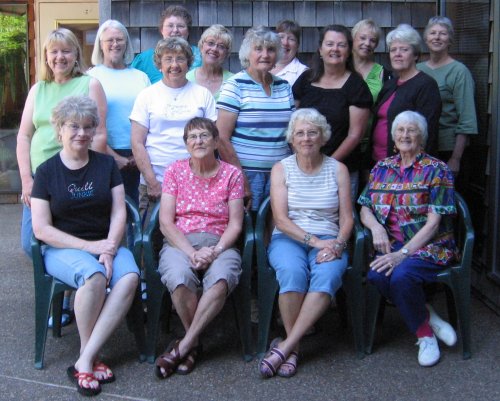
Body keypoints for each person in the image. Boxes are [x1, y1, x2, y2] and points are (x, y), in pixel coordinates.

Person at [30, 96, 140, 396]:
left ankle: (85, 359)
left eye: (88, 127)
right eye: (74, 126)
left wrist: (108, 248)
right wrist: (91, 248)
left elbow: (120, 211)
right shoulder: (46, 171)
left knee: (129, 277)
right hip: (63, 248)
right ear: (60, 130)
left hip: (107, 243)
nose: (82, 133)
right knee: (93, 278)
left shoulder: (106, 164)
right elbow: (41, 229)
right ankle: (90, 356)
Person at [16, 27, 107, 327]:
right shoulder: (37, 90)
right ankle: (73, 286)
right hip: (41, 181)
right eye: (53, 51)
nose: (59, 57)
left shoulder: (89, 84)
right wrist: (27, 181)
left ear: (76, 55)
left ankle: (73, 299)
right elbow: (24, 137)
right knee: (31, 241)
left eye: (66, 51)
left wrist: (91, 174)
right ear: (46, 56)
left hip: (76, 176)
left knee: (75, 230)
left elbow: (99, 133)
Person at [358, 110, 458, 367]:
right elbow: (365, 207)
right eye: (400, 130)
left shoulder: (437, 169)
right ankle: (428, 316)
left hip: (430, 245)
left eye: (411, 130)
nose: (405, 135)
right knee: (376, 275)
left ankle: (424, 336)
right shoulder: (382, 168)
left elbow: (434, 224)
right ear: (393, 137)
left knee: (401, 276)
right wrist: (376, 229)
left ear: (421, 137)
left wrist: (401, 255)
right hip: (393, 244)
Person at [259, 108, 353, 378]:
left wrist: (336, 244)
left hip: (329, 238)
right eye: (300, 133)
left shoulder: (339, 169)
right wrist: (315, 242)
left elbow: (347, 218)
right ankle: (296, 347)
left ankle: (286, 346)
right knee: (291, 272)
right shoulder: (281, 169)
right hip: (289, 238)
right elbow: (280, 218)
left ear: (323, 137)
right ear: (292, 139)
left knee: (328, 274)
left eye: (313, 132)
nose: (306, 138)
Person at [154, 117, 244, 378]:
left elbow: (235, 225)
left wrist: (214, 252)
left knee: (221, 278)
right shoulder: (174, 171)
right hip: (181, 242)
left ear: (216, 141)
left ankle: (184, 346)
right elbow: (166, 223)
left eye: (204, 136)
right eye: (192, 137)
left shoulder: (232, 174)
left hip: (220, 243)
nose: (199, 141)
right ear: (186, 144)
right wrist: (192, 252)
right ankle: (192, 345)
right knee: (179, 278)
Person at [130, 37, 216, 221]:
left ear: (189, 63)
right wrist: (152, 182)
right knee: (151, 241)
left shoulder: (203, 95)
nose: (174, 65)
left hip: (197, 182)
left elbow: (212, 141)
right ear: (159, 64)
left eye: (180, 59)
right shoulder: (147, 96)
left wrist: (204, 180)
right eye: (168, 59)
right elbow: (137, 143)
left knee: (194, 238)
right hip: (156, 182)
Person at [217, 26, 295, 212]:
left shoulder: (284, 86)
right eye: (258, 49)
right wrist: (240, 179)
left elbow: (291, 135)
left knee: (275, 228)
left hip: (281, 173)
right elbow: (221, 138)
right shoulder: (235, 85)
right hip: (247, 173)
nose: (265, 54)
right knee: (247, 229)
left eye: (271, 49)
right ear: (247, 53)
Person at [293, 24, 372, 197]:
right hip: (302, 166)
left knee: (338, 218)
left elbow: (355, 135)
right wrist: (300, 159)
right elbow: (292, 124)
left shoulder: (357, 87)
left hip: (340, 168)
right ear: (320, 49)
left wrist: (327, 165)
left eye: (341, 45)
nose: (334, 49)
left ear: (349, 51)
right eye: (329, 44)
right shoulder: (306, 80)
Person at [89, 19, 150, 206]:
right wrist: (114, 157)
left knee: (133, 211)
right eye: (109, 40)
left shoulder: (140, 77)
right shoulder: (91, 77)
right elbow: (88, 123)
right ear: (100, 44)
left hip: (137, 153)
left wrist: (137, 155)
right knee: (106, 210)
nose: (115, 44)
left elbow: (150, 117)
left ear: (127, 44)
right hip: (102, 152)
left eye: (119, 39)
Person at [370, 24, 441, 164]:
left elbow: (428, 133)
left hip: (405, 166)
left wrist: (412, 168)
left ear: (415, 55)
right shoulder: (390, 84)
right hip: (378, 162)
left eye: (404, 49)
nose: (397, 54)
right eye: (393, 50)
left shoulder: (426, 85)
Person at [417, 16, 478, 177]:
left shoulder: (459, 71)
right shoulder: (417, 69)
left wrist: (455, 158)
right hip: (419, 147)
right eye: (433, 33)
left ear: (450, 40)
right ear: (426, 38)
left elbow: (466, 119)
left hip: (447, 149)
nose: (437, 37)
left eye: (443, 34)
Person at [131, 4, 202, 83]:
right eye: (170, 26)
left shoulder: (202, 58)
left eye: (180, 26)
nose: (175, 30)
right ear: (161, 30)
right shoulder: (144, 60)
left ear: (188, 31)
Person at [186, 24, 233, 101]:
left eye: (221, 46)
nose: (214, 49)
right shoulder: (187, 79)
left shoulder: (233, 81)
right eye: (210, 43)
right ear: (201, 47)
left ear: (226, 54)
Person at [270, 20, 308, 86]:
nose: (285, 43)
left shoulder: (303, 73)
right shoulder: (263, 65)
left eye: (291, 39)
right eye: (281, 37)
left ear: (297, 45)